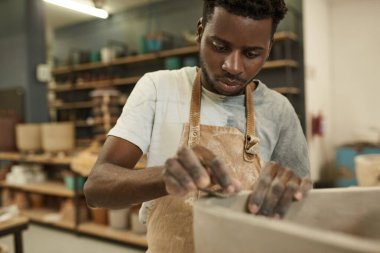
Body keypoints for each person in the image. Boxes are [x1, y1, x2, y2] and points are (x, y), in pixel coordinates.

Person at [84, 0, 312, 252]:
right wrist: (163, 177)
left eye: (251, 53)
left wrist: (291, 193)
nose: (233, 66)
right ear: (200, 31)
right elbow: (96, 189)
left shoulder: (279, 111)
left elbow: (305, 212)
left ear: (269, 48)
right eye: (220, 46)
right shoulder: (158, 89)